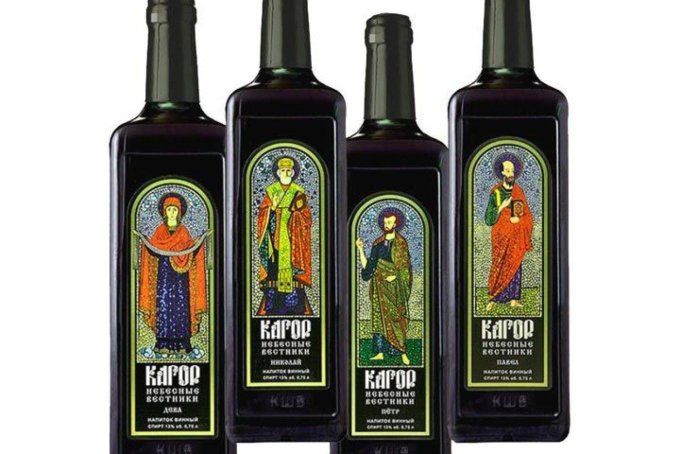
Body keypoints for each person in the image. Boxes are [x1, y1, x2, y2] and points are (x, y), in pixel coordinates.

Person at [138, 194, 209, 354]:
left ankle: (182, 345)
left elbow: (190, 249)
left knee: (180, 307)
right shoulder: (160, 231)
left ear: (179, 212)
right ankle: (162, 344)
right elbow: (153, 248)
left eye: (174, 209)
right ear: (164, 212)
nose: (171, 213)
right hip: (163, 276)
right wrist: (144, 240)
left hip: (180, 279)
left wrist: (199, 240)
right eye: (169, 209)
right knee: (163, 305)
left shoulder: (183, 231)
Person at [256, 157, 313, 315]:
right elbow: (262, 216)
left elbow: (307, 218)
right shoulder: (271, 191)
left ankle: (295, 307)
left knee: (293, 274)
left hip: (293, 242)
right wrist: (273, 208)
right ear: (278, 173)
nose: (286, 173)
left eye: (289, 171)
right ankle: (273, 306)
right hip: (275, 241)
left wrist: (296, 215)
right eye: (283, 171)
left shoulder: (299, 192)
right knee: (274, 274)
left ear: (293, 173)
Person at [356, 209, 412, 365]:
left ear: (395, 224)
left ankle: (402, 352)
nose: (386, 224)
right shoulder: (377, 243)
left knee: (396, 317)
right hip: (379, 285)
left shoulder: (401, 243)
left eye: (390, 222)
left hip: (394, 287)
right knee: (378, 318)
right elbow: (369, 267)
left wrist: (396, 277)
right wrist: (360, 249)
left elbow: (405, 268)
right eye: (385, 222)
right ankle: (380, 352)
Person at [484, 158, 534, 311]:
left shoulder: (518, 192)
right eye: (507, 171)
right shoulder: (496, 193)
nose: (510, 174)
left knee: (515, 265)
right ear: (502, 173)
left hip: (515, 237)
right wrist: (502, 207)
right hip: (500, 236)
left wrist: (519, 220)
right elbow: (488, 219)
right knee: (499, 264)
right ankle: (494, 297)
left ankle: (514, 299)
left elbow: (525, 214)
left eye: (512, 171)